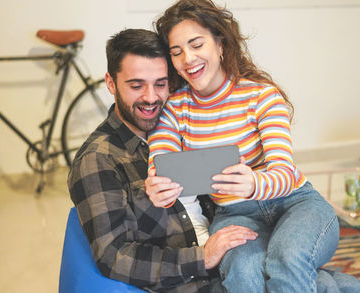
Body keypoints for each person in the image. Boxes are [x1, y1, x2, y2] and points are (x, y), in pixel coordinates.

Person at [145, 0, 360, 292]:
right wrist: (157, 185)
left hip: (296, 203)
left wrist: (253, 183)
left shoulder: (261, 96)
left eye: (197, 44)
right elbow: (161, 159)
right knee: (244, 269)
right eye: (177, 52)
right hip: (234, 215)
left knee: (287, 258)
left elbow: (284, 173)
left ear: (220, 43)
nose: (188, 58)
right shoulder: (175, 108)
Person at [67, 28, 258, 293]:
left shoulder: (182, 126)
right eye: (136, 85)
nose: (151, 97)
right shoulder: (98, 159)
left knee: (326, 282)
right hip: (196, 281)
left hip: (236, 260)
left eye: (160, 83)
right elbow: (114, 257)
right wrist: (203, 257)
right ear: (111, 83)